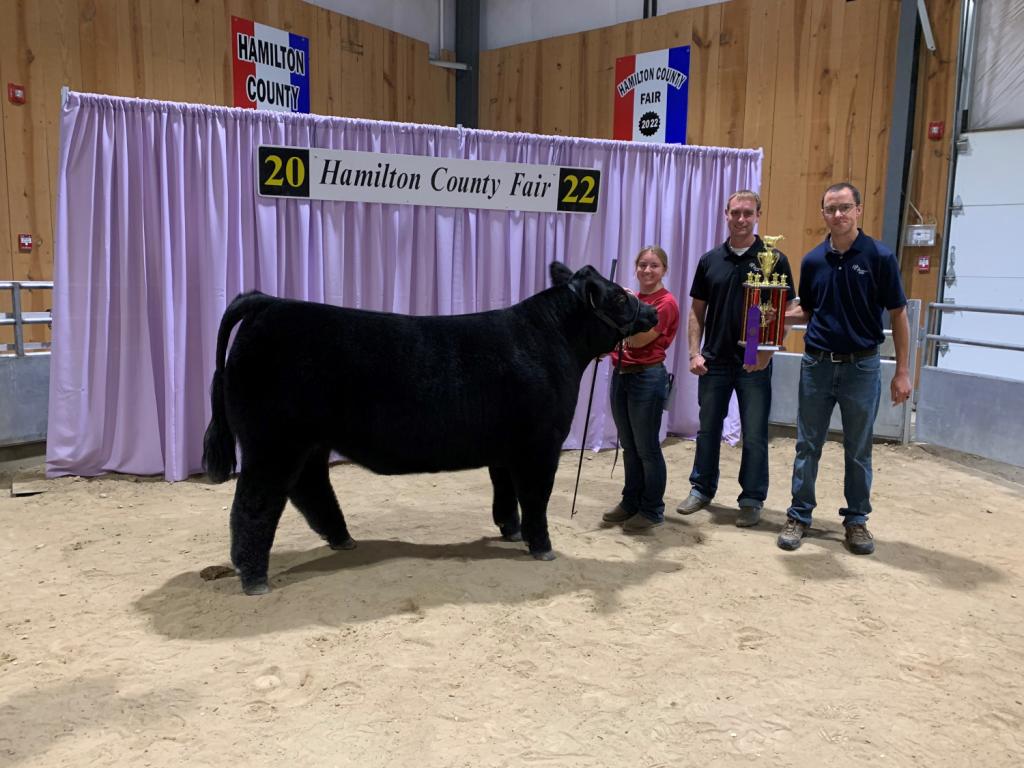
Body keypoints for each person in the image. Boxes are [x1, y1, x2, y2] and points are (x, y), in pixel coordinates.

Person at [777, 182, 912, 555]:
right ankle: (799, 515)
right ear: (822, 213)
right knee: (807, 444)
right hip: (817, 365)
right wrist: (769, 317)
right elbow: (810, 309)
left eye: (844, 208)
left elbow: (899, 314)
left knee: (858, 449)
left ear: (858, 210)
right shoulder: (813, 261)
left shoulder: (879, 257)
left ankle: (856, 521)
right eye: (831, 209)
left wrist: (903, 371)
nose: (838, 215)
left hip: (862, 368)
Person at [676, 190, 795, 527]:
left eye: (748, 213)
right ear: (725, 214)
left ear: (758, 214)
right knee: (707, 430)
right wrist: (693, 353)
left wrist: (767, 353)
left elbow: (786, 312)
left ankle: (752, 498)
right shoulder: (709, 259)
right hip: (714, 361)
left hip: (753, 364)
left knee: (755, 434)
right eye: (735, 213)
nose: (741, 219)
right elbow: (696, 311)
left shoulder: (775, 259)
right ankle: (701, 489)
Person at [602, 246, 680, 533]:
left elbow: (638, 340)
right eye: (643, 265)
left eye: (654, 266)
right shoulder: (636, 301)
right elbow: (614, 338)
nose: (647, 271)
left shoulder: (665, 303)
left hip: (647, 377)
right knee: (629, 446)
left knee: (647, 447)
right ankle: (630, 501)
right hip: (621, 374)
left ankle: (652, 509)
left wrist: (623, 308)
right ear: (636, 268)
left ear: (664, 270)